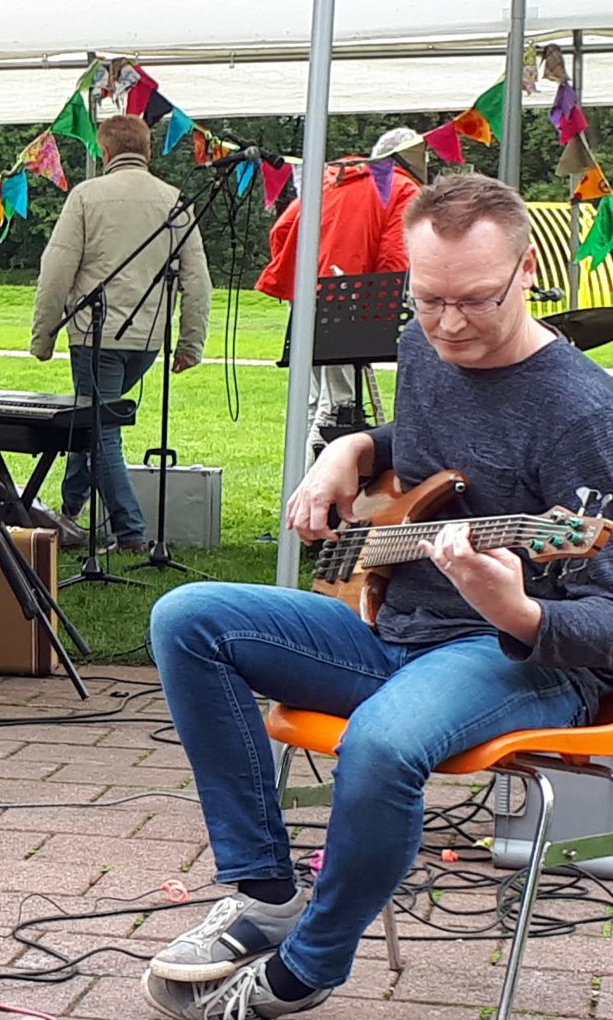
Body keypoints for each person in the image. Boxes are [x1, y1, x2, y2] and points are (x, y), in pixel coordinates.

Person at [143, 172, 613, 1019]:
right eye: (429, 299)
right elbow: (426, 446)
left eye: (475, 301)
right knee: (188, 617)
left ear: (527, 273)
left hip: (526, 658)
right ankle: (264, 892)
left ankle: (308, 968)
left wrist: (516, 610)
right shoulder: (420, 347)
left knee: (383, 743)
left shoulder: (586, 414)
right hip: (399, 632)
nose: (449, 324)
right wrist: (349, 451)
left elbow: (609, 621)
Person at [30, 112, 211, 553]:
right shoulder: (175, 200)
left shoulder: (87, 196)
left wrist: (44, 334)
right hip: (147, 340)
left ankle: (130, 531)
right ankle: (70, 510)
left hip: (96, 335)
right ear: (148, 152)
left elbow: (56, 268)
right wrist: (190, 343)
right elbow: (198, 279)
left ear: (104, 151)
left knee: (101, 431)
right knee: (93, 418)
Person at [256, 127, 424, 456]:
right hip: (352, 301)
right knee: (338, 408)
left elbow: (282, 230)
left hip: (309, 296)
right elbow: (396, 259)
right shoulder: (402, 188)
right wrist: (383, 316)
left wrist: (296, 279)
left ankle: (298, 487)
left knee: (316, 402)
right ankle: (316, 495)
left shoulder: (330, 180)